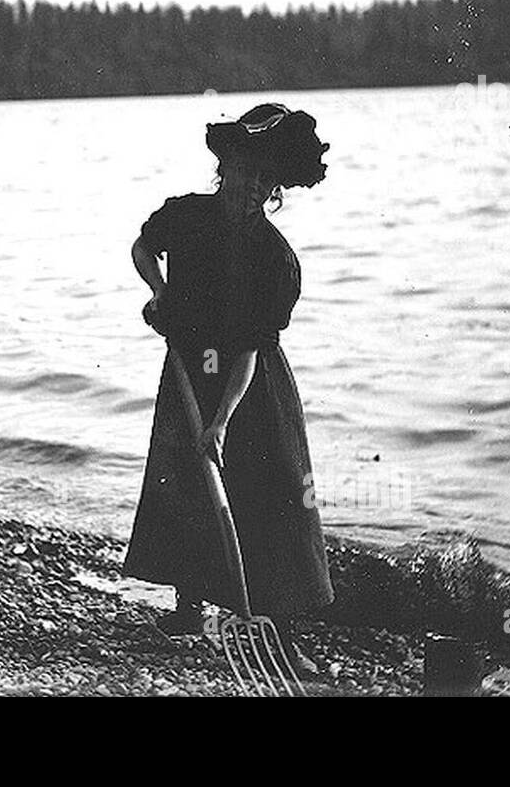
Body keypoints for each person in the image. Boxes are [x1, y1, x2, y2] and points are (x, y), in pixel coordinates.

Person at [122, 103, 335, 671]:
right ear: (225, 166)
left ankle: (280, 624)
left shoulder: (275, 257)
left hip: (254, 384)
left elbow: (249, 348)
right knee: (186, 482)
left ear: (276, 187)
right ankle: (189, 605)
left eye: (266, 180)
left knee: (270, 493)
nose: (253, 187)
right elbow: (144, 247)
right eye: (245, 172)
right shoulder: (185, 217)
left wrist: (222, 420)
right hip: (190, 369)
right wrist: (160, 291)